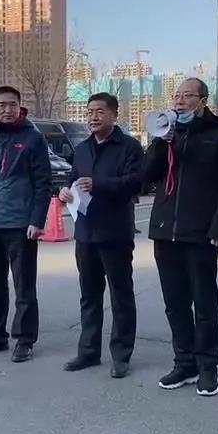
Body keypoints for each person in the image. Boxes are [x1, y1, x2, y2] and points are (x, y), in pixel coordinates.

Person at [142, 77, 218, 396]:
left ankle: (207, 366)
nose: (180, 101)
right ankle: (184, 362)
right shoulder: (167, 136)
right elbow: (147, 175)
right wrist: (161, 142)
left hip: (200, 235)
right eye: (177, 95)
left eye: (188, 95)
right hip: (165, 233)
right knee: (174, 303)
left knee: (204, 304)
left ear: (202, 101)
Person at [58, 93, 142, 378]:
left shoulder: (129, 147)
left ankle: (121, 355)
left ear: (114, 115)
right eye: (90, 112)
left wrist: (99, 185)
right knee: (89, 295)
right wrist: (65, 191)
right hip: (85, 232)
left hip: (115, 232)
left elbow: (136, 183)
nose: (93, 117)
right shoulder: (82, 148)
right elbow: (73, 177)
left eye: (100, 112)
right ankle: (88, 351)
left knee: (120, 295)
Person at [0, 86, 52, 363]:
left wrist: (37, 220)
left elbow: (43, 183)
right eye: (2, 105)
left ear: (20, 106)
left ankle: (25, 339)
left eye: (13, 104)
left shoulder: (32, 138)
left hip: (20, 225)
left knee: (24, 286)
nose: (8, 110)